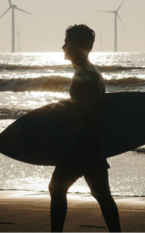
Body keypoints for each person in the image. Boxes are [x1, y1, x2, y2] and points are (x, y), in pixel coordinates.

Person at [50, 24, 121, 233]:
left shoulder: (87, 74)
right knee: (102, 196)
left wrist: (87, 147)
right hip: (91, 146)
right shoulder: (89, 70)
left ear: (78, 46)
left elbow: (93, 114)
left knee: (56, 188)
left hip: (83, 145)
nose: (63, 47)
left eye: (67, 42)